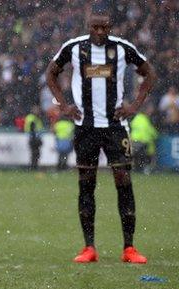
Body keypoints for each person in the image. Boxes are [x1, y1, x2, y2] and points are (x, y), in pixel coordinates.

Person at [45, 8, 156, 264]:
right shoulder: (73, 48)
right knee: (86, 184)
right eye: (95, 27)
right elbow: (51, 73)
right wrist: (64, 105)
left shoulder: (122, 48)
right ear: (88, 26)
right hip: (85, 127)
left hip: (115, 126)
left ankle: (129, 248)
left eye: (104, 27)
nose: (99, 32)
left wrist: (135, 106)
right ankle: (89, 247)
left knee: (123, 181)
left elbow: (149, 72)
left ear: (110, 27)